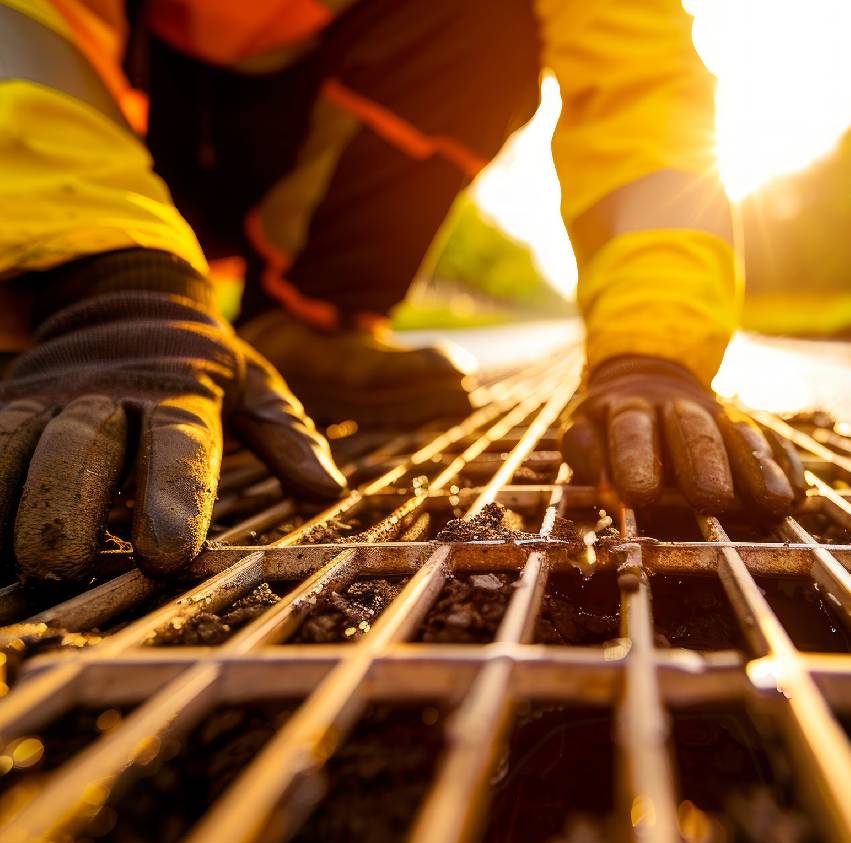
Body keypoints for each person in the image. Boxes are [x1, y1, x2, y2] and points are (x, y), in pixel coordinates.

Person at [0, 0, 804, 583]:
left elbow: (645, 96)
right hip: (111, 115)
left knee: (490, 23)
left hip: (309, 130)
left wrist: (653, 348)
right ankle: (66, 285)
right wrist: (107, 286)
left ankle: (306, 319)